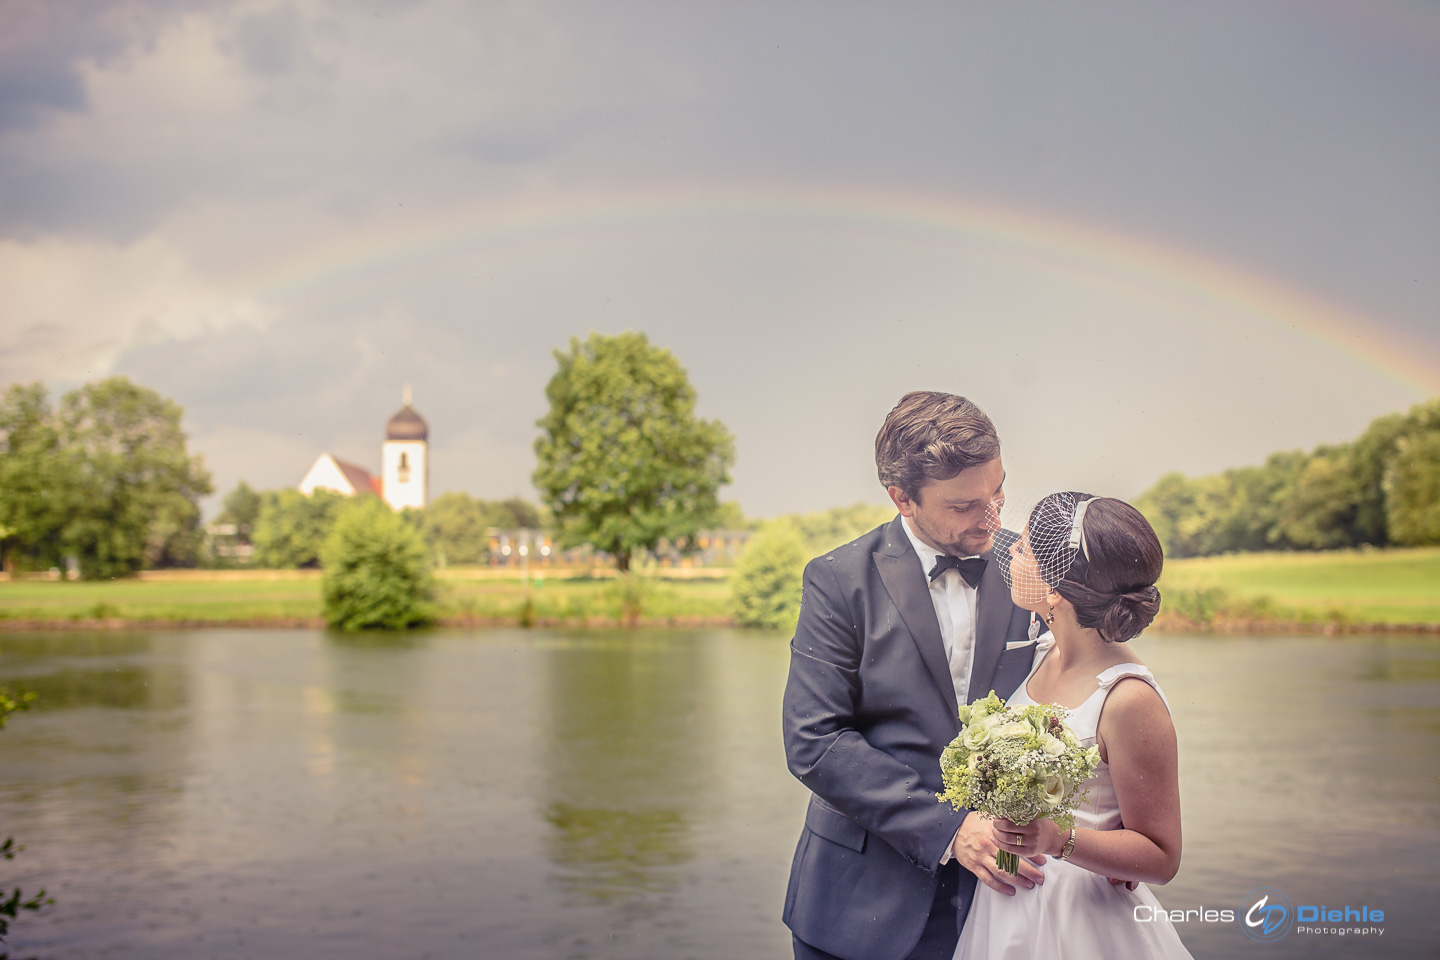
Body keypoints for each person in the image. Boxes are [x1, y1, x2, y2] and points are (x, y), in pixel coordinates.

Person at [782, 391, 1040, 960]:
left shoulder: (1029, 567)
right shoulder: (837, 580)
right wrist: (948, 828)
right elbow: (814, 742)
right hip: (860, 907)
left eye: (998, 490)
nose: (993, 516)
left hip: (1011, 905)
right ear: (902, 498)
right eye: (964, 505)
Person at [953, 492, 1193, 959]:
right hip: (1005, 907)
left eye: (1023, 548)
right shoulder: (1042, 652)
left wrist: (1061, 838)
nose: (1009, 551)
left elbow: (1162, 856)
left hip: (1079, 919)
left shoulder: (1127, 698)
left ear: (1056, 588)